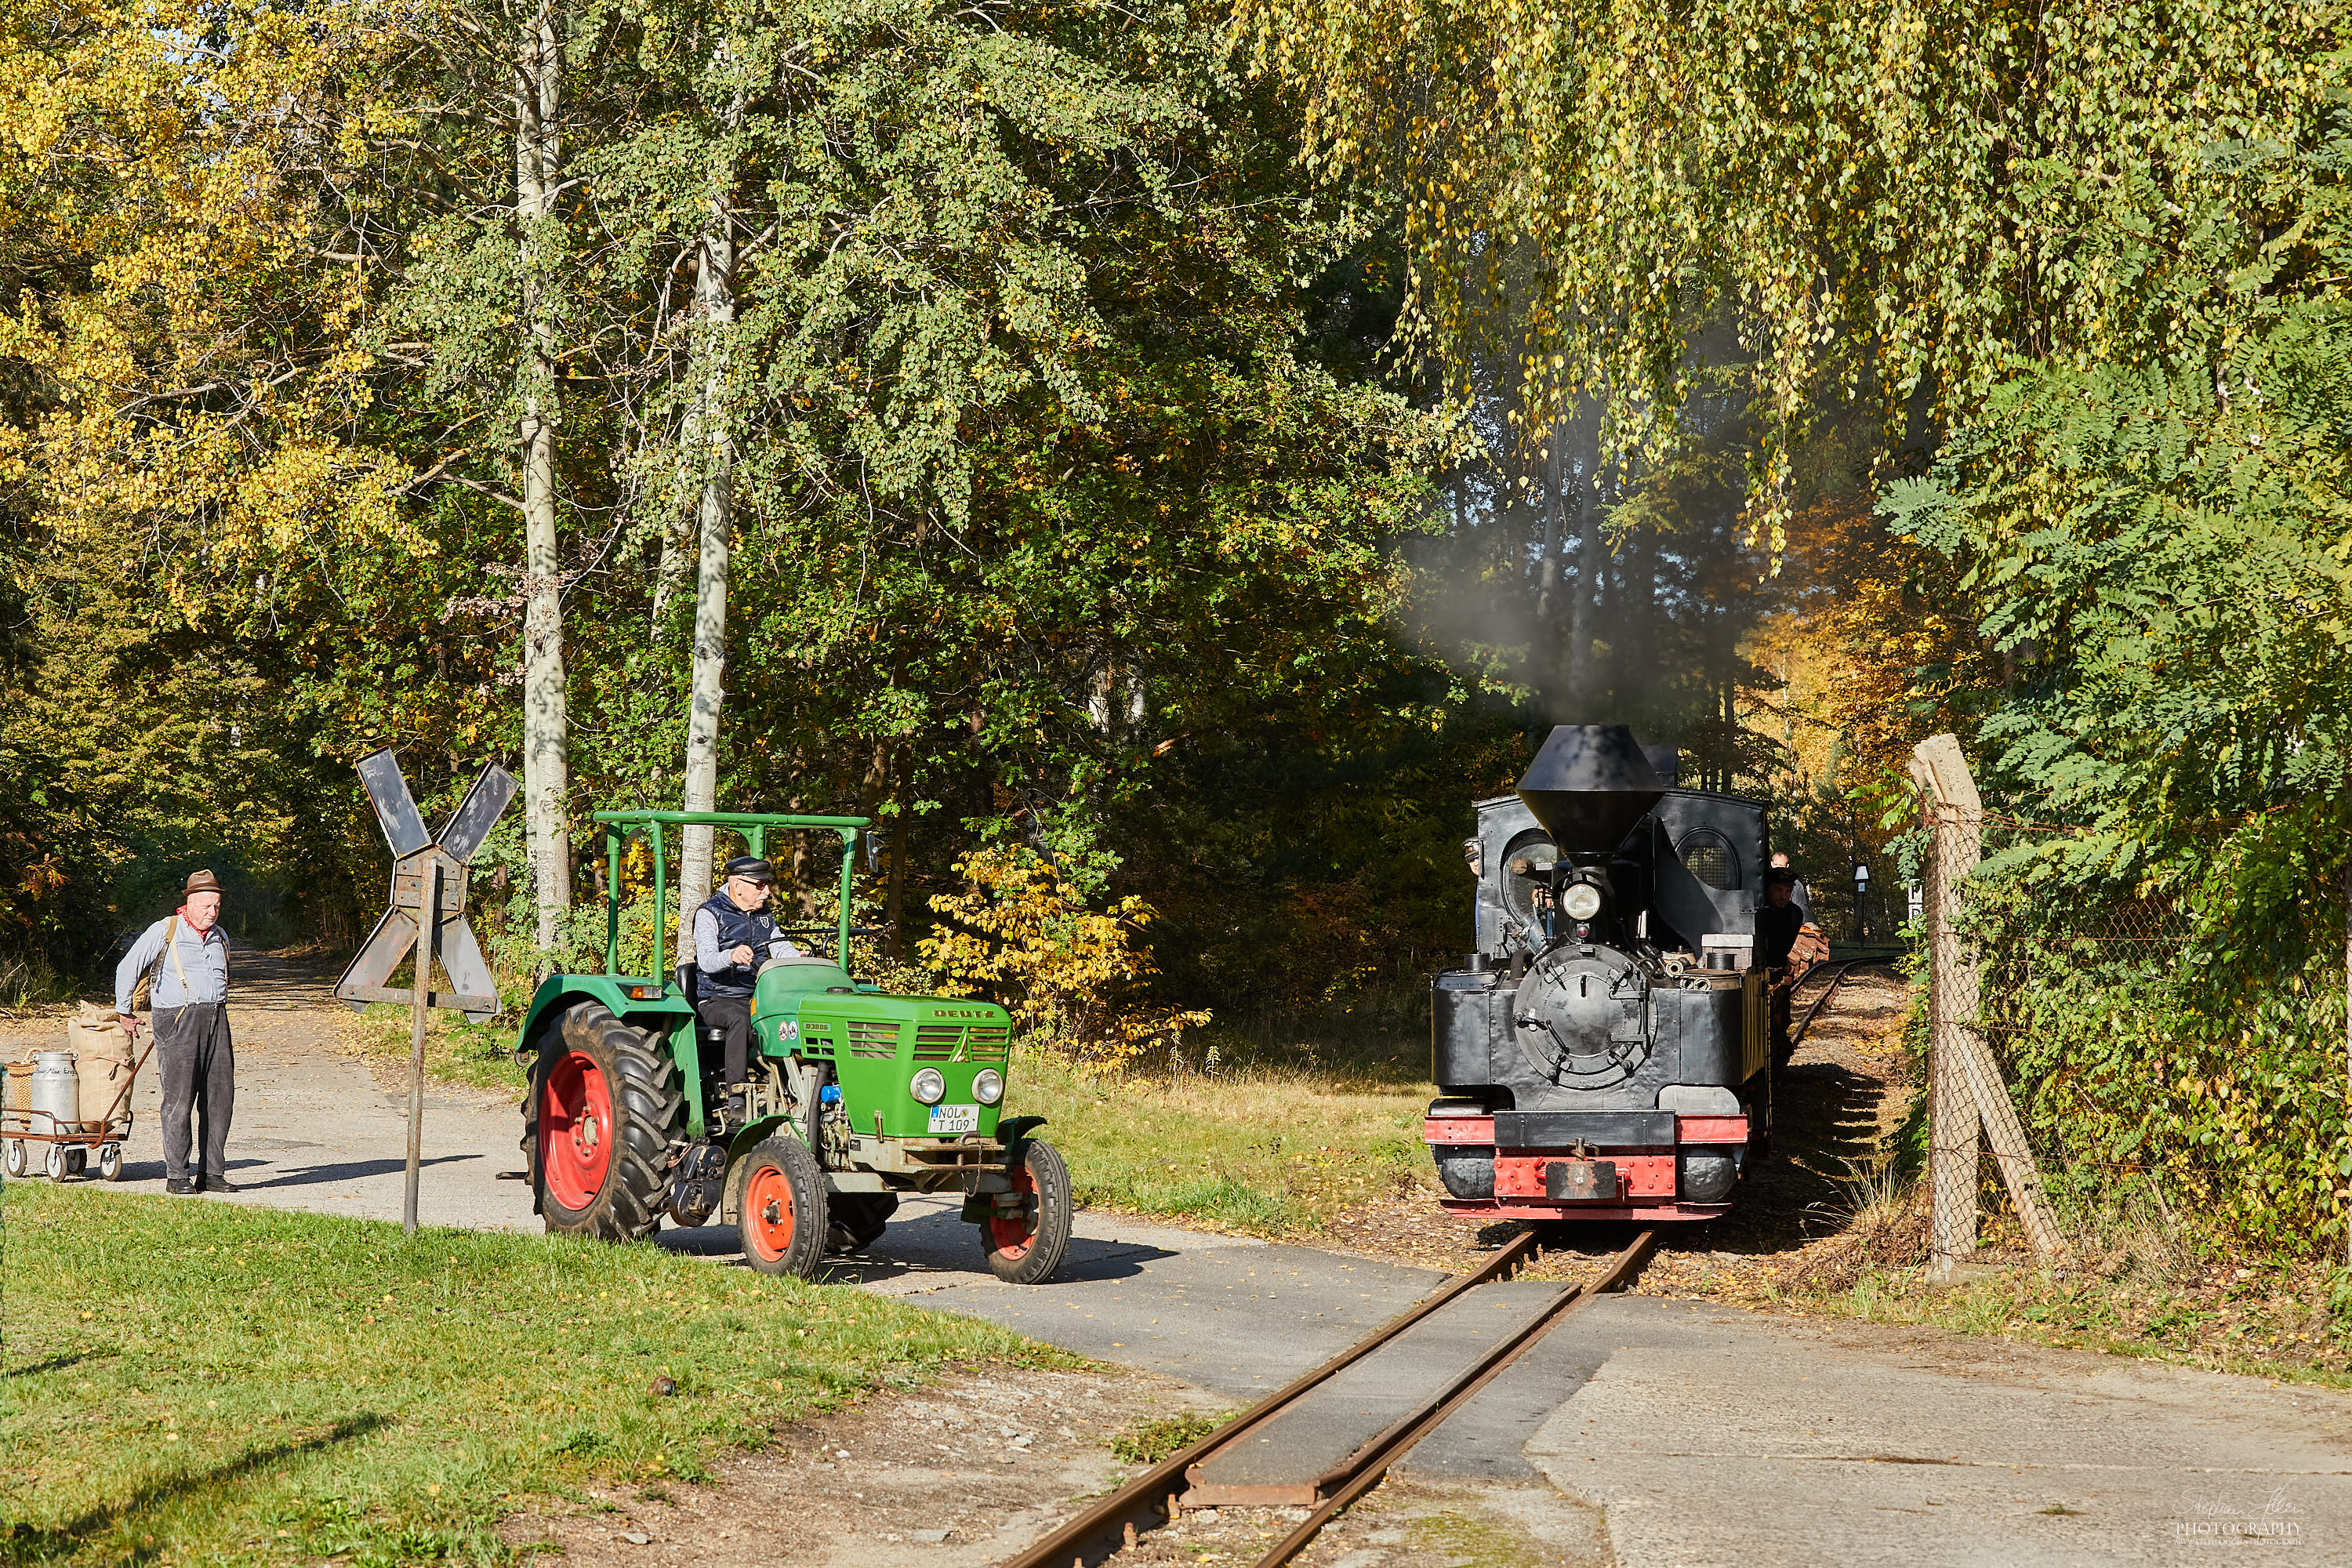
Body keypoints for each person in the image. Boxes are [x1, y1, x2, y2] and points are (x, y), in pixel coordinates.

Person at [115, 869, 236, 1195]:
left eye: (217, 906)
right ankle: (177, 1175)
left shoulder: (220, 936)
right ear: (190, 902)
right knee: (180, 1099)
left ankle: (212, 1172)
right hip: (177, 1018)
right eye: (207, 906)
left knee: (220, 1098)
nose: (213, 912)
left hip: (215, 1017)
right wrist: (124, 1011)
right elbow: (127, 967)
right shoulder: (165, 930)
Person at [691, 856, 800, 1127]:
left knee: (785, 1015)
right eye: (761, 885)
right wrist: (731, 955)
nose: (767, 892)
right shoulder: (709, 913)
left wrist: (799, 959)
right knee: (741, 1017)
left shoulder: (764, 917)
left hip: (756, 995)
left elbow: (780, 947)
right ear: (738, 886)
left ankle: (794, 1093)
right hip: (717, 997)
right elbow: (706, 960)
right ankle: (737, 1098)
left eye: (768, 885)